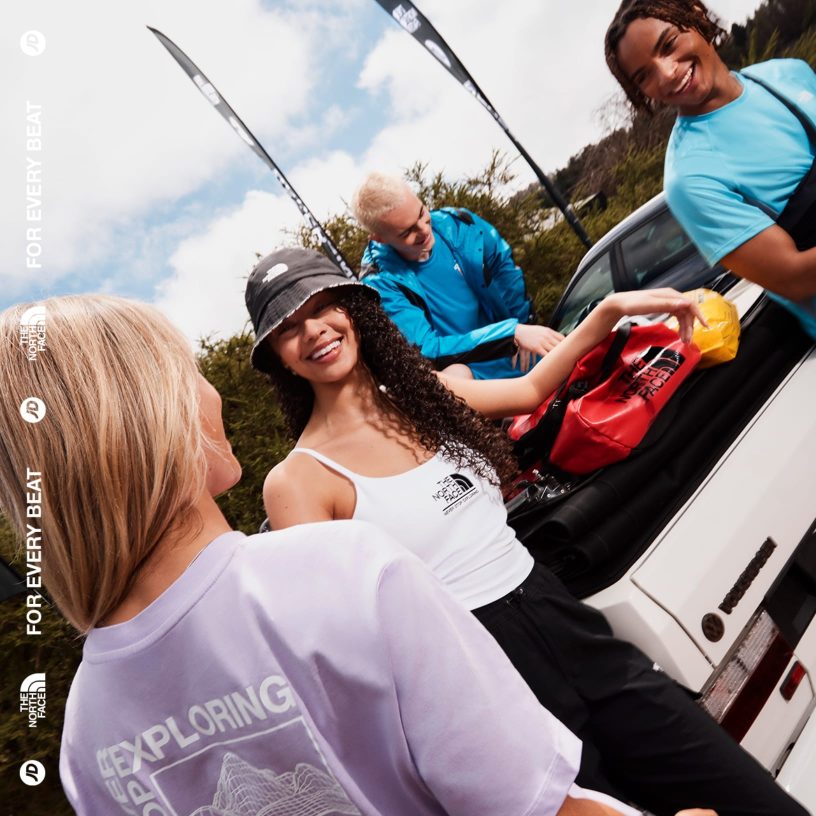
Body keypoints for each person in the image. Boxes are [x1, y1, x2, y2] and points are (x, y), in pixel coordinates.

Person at [0, 295, 649, 816]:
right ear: (155, 416)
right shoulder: (347, 571)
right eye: (191, 372)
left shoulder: (86, 737)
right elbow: (535, 804)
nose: (213, 393)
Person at [247, 247, 804, 816]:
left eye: (324, 307)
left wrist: (608, 311)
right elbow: (341, 646)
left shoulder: (423, 397)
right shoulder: (298, 480)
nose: (313, 331)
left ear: (354, 309)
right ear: (278, 359)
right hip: (489, 688)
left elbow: (532, 390)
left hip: (568, 625)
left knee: (747, 794)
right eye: (289, 328)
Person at [605, 0, 816, 339]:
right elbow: (794, 279)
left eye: (668, 45)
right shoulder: (690, 178)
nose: (667, 73)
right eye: (644, 76)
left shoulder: (786, 74)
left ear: (696, 14)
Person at [351, 171, 564, 380]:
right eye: (407, 232)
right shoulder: (380, 284)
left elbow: (505, 275)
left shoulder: (460, 225)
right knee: (455, 376)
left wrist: (524, 328)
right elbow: (426, 348)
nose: (424, 230)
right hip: (473, 380)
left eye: (421, 213)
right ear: (379, 239)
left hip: (520, 352)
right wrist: (509, 335)